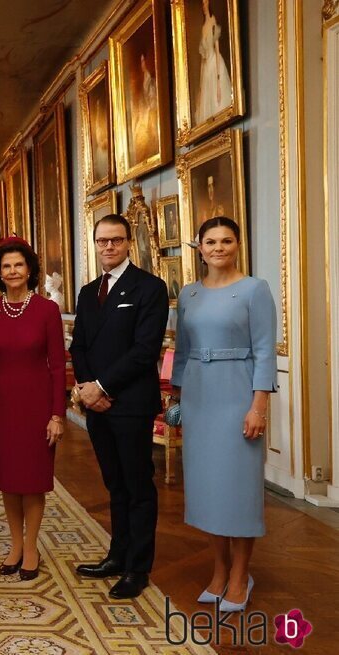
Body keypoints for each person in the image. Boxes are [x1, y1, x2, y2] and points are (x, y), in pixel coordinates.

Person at [170, 217, 275, 613]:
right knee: (207, 487)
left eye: (226, 240)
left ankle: (240, 574)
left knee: (239, 489)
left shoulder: (254, 289)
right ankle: (218, 569)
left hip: (237, 394)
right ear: (199, 248)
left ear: (237, 244)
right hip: (198, 397)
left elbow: (264, 349)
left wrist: (258, 405)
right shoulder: (189, 294)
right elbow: (181, 350)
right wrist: (176, 397)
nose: (218, 247)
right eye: (210, 241)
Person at [69, 214, 168, 599]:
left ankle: (137, 568)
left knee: (137, 485)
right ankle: (117, 554)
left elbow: (145, 351)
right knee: (114, 485)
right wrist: (86, 388)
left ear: (128, 243)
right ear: (94, 244)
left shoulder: (150, 287)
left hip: (130, 404)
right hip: (97, 407)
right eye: (102, 241)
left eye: (116, 240)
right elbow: (79, 345)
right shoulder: (88, 291)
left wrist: (101, 386)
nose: (109, 247)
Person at [0, 237, 65, 581]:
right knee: (9, 481)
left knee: (33, 481)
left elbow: (57, 366)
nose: (12, 271)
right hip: (0, 406)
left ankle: (31, 547)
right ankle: (15, 545)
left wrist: (57, 414)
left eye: (18, 265)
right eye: (6, 266)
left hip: (37, 406)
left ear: (29, 270)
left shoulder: (47, 310)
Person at [195, 0, 233, 124]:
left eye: (206, 3)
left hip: (215, 64)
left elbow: (217, 51)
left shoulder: (213, 21)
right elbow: (202, 58)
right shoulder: (202, 27)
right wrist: (200, 87)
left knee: (217, 103)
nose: (204, 6)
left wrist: (218, 79)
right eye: (203, 4)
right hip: (206, 68)